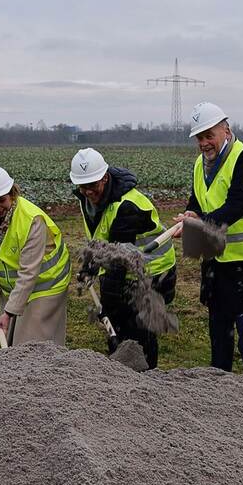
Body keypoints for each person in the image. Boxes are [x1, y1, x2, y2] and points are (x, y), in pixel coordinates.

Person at [174, 101, 243, 379]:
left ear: (226, 130)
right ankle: (219, 387)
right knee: (218, 326)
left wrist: (200, 223)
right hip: (219, 261)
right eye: (200, 137)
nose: (204, 143)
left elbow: (237, 204)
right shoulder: (200, 164)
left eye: (209, 135)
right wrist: (192, 212)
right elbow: (199, 197)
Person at [70, 148, 177, 369]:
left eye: (93, 185)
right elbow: (101, 239)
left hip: (153, 272)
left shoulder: (127, 207)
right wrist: (89, 266)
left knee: (139, 328)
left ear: (105, 177)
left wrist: (109, 305)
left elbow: (118, 263)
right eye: (83, 186)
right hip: (125, 267)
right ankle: (122, 369)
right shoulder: (88, 199)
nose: (88, 191)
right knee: (119, 324)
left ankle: (146, 375)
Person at [0, 165, 71, 345]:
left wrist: (8, 312)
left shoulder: (32, 220)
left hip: (45, 285)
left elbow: (29, 272)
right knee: (13, 341)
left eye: (1, 200)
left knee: (29, 346)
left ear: (12, 194)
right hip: (17, 287)